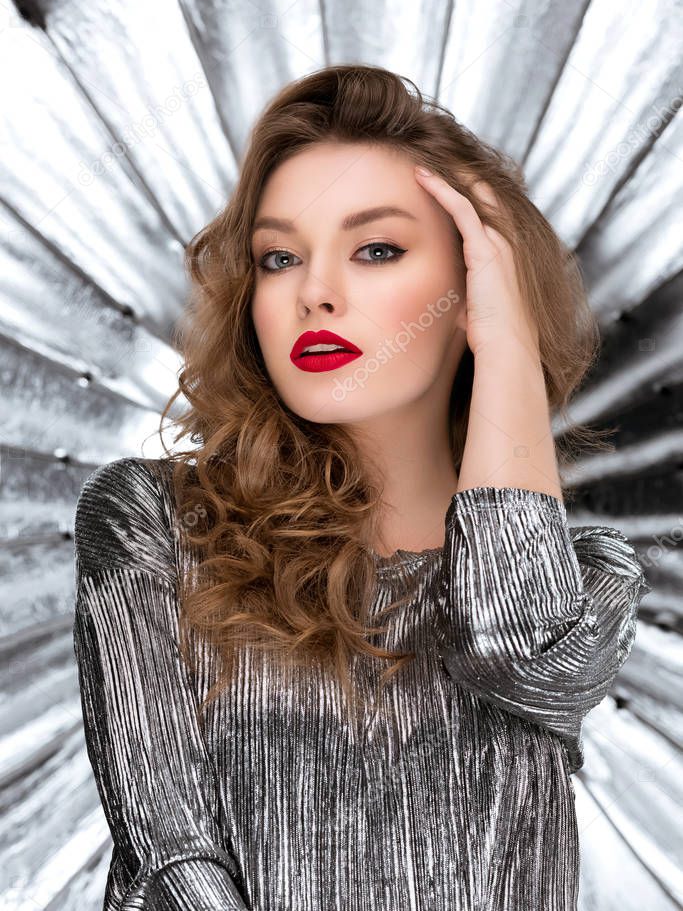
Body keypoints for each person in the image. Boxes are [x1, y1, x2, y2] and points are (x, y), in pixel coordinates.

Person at [72, 64, 650, 910]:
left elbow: (522, 654)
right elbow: (170, 849)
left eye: (376, 248)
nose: (315, 292)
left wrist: (508, 352)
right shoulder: (152, 522)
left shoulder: (588, 579)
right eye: (279, 257)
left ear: (471, 289)